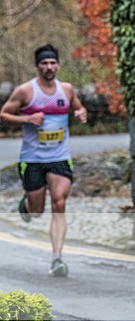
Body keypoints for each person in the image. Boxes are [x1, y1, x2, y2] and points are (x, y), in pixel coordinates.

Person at [0, 44, 87, 277]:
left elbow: (78, 107)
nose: (49, 67)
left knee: (59, 202)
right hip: (33, 159)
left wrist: (80, 113)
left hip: (60, 156)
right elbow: (3, 114)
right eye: (44, 63)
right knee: (37, 211)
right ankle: (26, 206)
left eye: (52, 63)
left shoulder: (66, 90)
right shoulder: (25, 91)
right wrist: (27, 119)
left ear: (58, 65)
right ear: (38, 66)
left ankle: (57, 259)